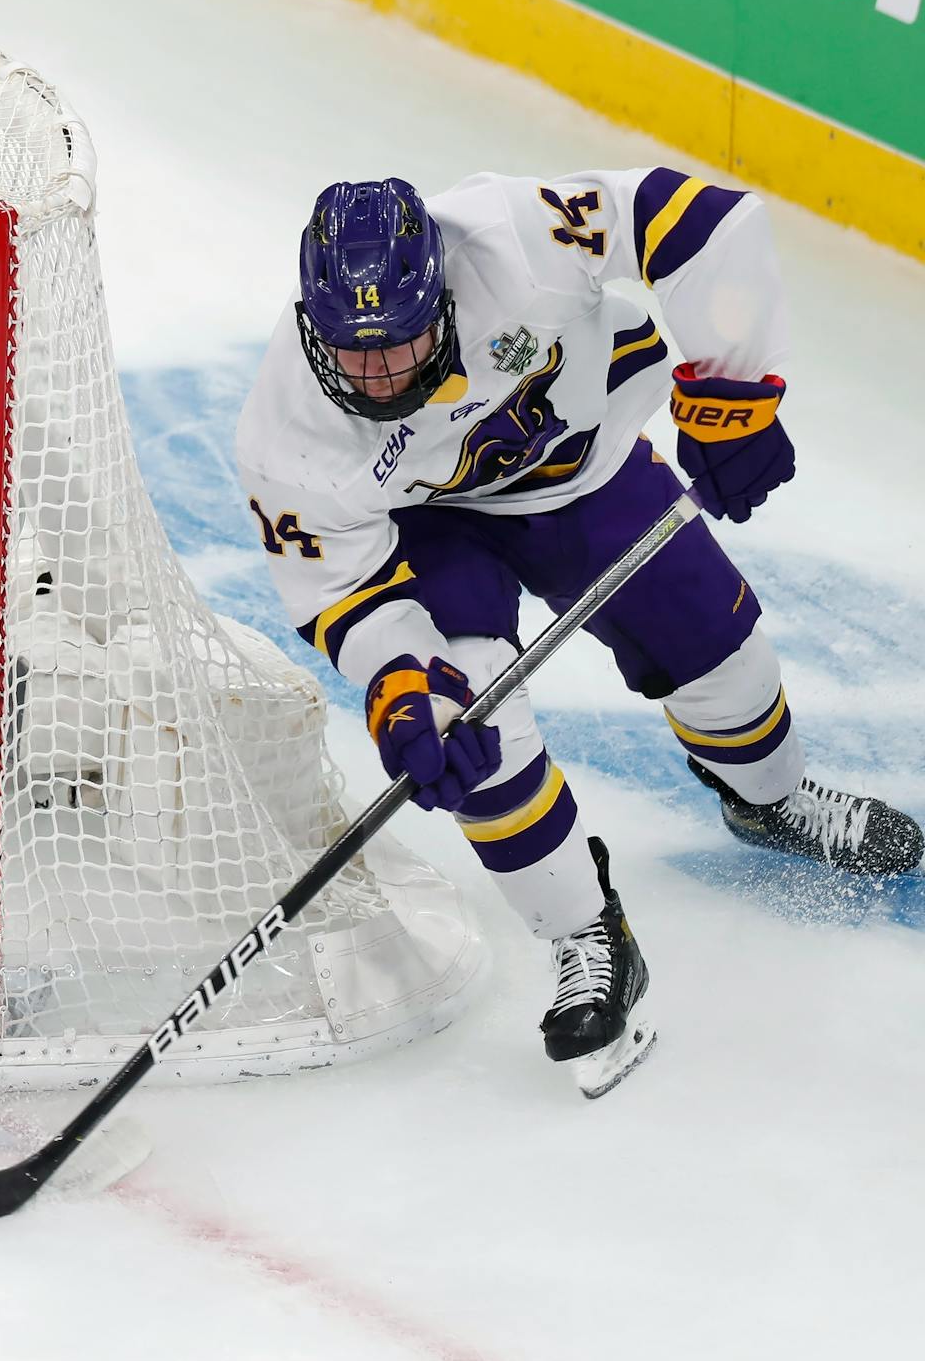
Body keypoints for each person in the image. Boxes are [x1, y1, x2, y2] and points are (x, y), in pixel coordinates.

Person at [235, 170, 922, 1097]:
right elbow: (342, 589)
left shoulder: (515, 242)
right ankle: (585, 933)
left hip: (583, 474)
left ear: (443, 293)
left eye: (400, 345)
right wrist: (403, 680)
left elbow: (704, 224)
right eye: (356, 357)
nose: (382, 376)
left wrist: (735, 397)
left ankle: (767, 800)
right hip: (424, 529)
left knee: (722, 657)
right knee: (472, 733)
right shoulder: (289, 436)